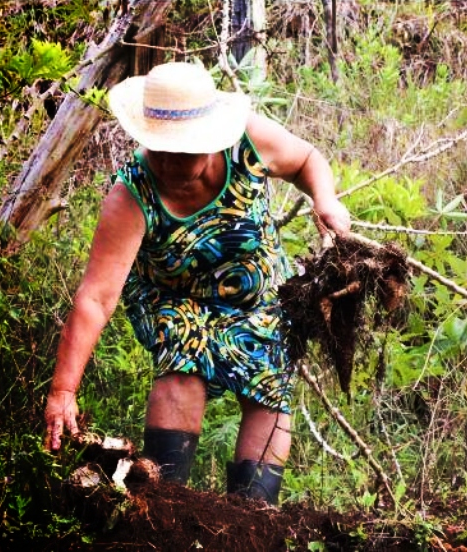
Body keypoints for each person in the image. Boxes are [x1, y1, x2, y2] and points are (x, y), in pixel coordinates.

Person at [43, 61, 350, 505]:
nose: (168, 161)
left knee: (267, 385)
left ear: (211, 137)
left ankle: (250, 520)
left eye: (183, 149)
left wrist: (325, 198)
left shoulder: (248, 142)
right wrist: (63, 391)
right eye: (160, 148)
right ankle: (167, 510)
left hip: (256, 293)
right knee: (183, 362)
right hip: (173, 295)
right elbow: (95, 297)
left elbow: (306, 159)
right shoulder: (132, 194)